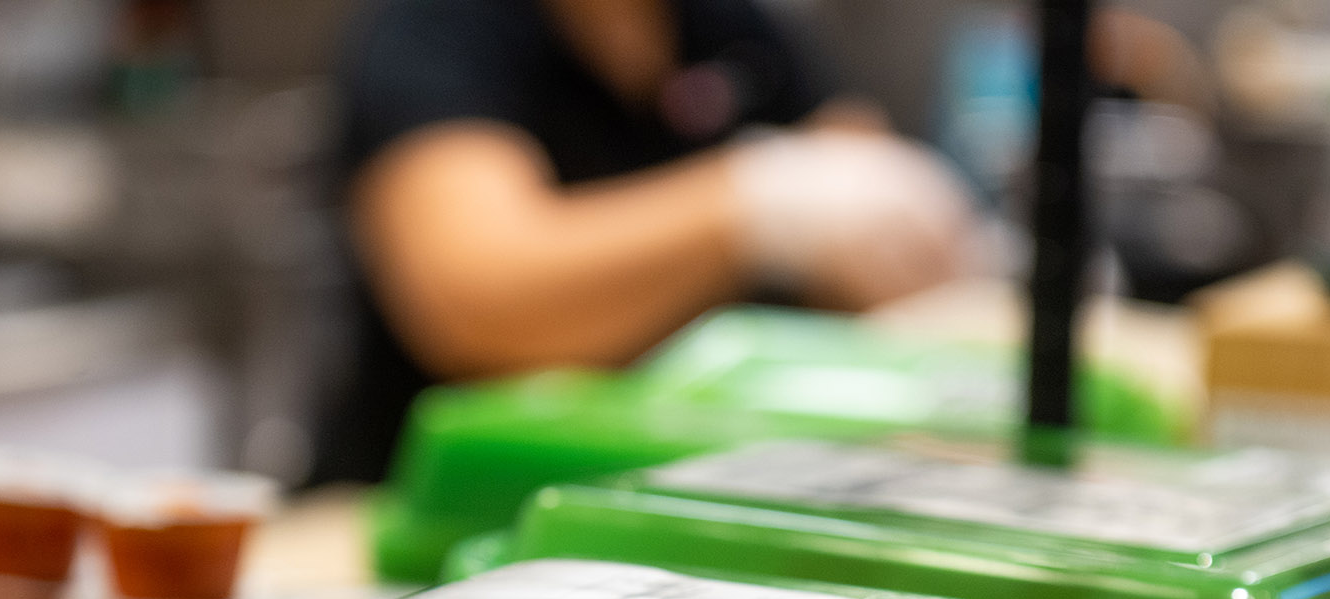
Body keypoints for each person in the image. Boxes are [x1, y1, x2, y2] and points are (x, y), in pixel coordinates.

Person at [313, 0, 978, 484]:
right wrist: (751, 201)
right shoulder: (443, 28)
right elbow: (476, 298)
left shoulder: (728, 28)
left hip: (697, 483)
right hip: (431, 498)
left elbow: (879, 200)